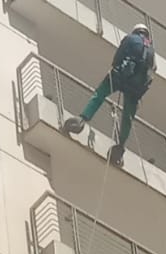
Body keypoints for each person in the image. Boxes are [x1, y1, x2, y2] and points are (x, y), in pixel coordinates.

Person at [61, 24, 156, 166]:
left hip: (120, 76)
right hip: (135, 88)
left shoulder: (131, 38)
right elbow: (152, 69)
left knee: (100, 94)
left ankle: (82, 119)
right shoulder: (151, 50)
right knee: (128, 117)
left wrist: (115, 67)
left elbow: (118, 57)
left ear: (136, 31)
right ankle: (120, 146)